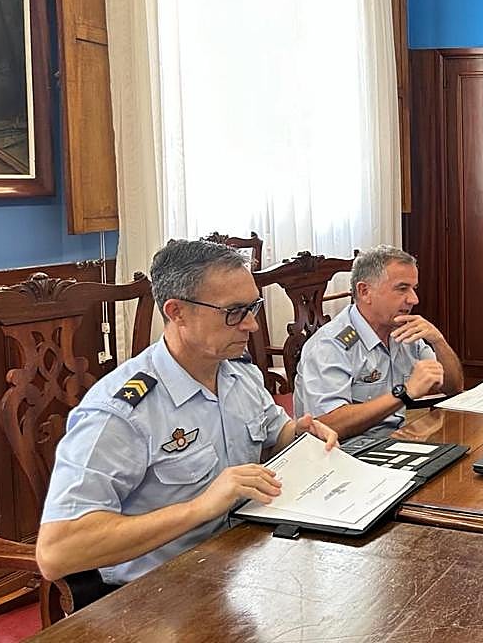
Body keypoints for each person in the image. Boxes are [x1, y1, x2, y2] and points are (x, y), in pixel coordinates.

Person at [37, 239, 338, 591]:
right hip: (157, 595)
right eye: (234, 312)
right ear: (177, 312)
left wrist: (299, 433)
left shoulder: (237, 372)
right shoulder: (121, 412)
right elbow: (57, 551)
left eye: (252, 308)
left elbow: (275, 434)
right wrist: (201, 507)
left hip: (242, 565)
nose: (252, 326)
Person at [293, 245, 462, 438]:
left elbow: (452, 387)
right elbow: (327, 424)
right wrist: (403, 394)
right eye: (402, 289)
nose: (414, 299)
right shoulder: (330, 345)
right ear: (365, 291)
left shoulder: (402, 330)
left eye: (414, 289)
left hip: (397, 438)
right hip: (346, 454)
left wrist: (438, 341)